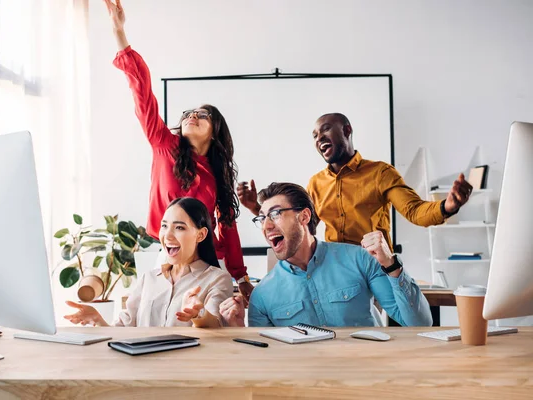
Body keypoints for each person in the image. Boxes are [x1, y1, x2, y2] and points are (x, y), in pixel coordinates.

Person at [102, 0, 253, 300]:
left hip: (210, 261)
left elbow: (228, 227)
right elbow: (142, 91)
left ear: (216, 132)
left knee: (209, 332)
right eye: (188, 113)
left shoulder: (216, 175)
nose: (191, 116)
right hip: (169, 253)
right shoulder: (164, 145)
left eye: (203, 115)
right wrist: (120, 33)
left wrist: (241, 275)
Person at [237, 113, 473, 250]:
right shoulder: (316, 183)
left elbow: (415, 211)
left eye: (326, 130)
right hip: (333, 266)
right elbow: (302, 226)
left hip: (374, 266)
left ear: (347, 130)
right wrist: (257, 209)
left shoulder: (380, 172)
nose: (319, 138)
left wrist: (448, 206)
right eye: (315, 136)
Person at [220, 182, 432, 327]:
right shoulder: (262, 295)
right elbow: (265, 360)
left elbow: (418, 323)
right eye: (262, 218)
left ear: (303, 217)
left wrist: (392, 265)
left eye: (275, 214)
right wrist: (238, 330)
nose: (266, 225)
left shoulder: (359, 259)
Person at [65, 197, 233, 328]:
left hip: (186, 369)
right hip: (143, 369)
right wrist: (98, 319)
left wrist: (198, 313)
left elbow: (217, 326)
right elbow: (123, 329)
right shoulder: (149, 279)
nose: (167, 235)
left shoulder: (217, 279)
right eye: (164, 226)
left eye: (179, 227)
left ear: (201, 235)